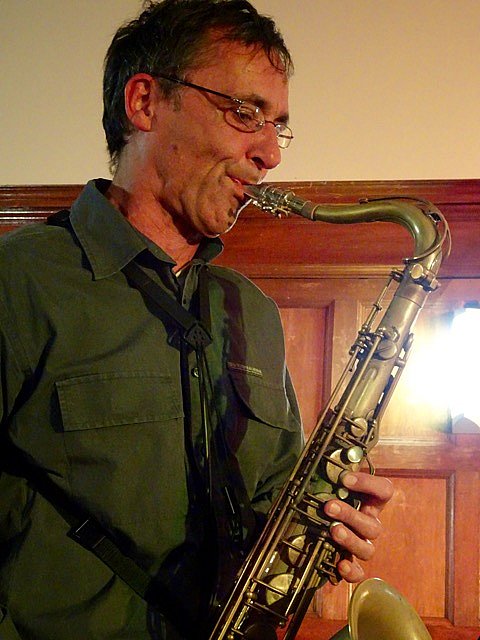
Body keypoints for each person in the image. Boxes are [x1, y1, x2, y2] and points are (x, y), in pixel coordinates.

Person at [0, 1, 394, 639]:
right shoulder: (17, 281)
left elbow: (267, 501)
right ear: (145, 103)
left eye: (278, 126)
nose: (271, 153)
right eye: (246, 113)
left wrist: (320, 529)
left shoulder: (251, 312)